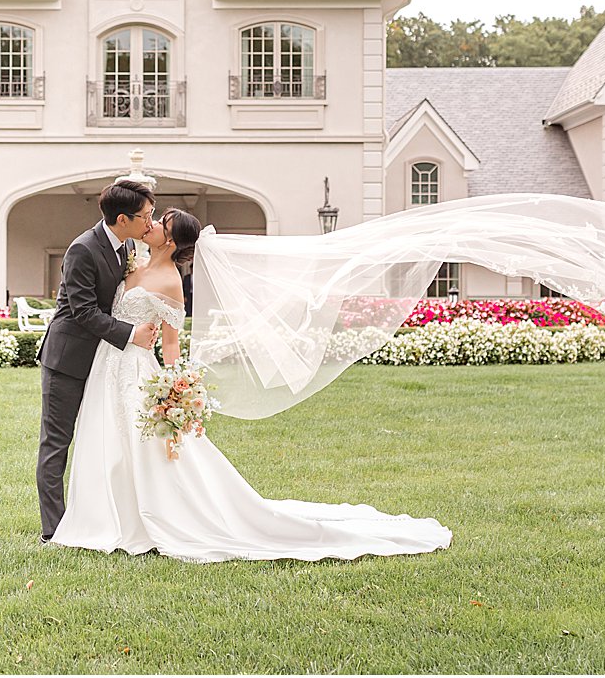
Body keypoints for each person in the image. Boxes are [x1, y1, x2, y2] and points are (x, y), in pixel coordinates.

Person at [48, 208, 453, 563]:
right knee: (105, 438)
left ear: (170, 240)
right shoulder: (132, 263)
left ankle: (150, 518)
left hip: (136, 369)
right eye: (151, 218)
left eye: (160, 222)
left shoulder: (171, 281)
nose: (151, 224)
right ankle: (102, 515)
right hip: (107, 365)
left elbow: (170, 343)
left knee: (140, 446)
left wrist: (173, 387)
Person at [35, 179, 159, 543]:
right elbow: (83, 311)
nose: (151, 222)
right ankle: (53, 531)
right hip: (68, 359)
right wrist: (131, 333)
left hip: (104, 363)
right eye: (146, 216)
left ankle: (97, 517)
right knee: (57, 443)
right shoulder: (82, 249)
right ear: (123, 219)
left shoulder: (127, 246)